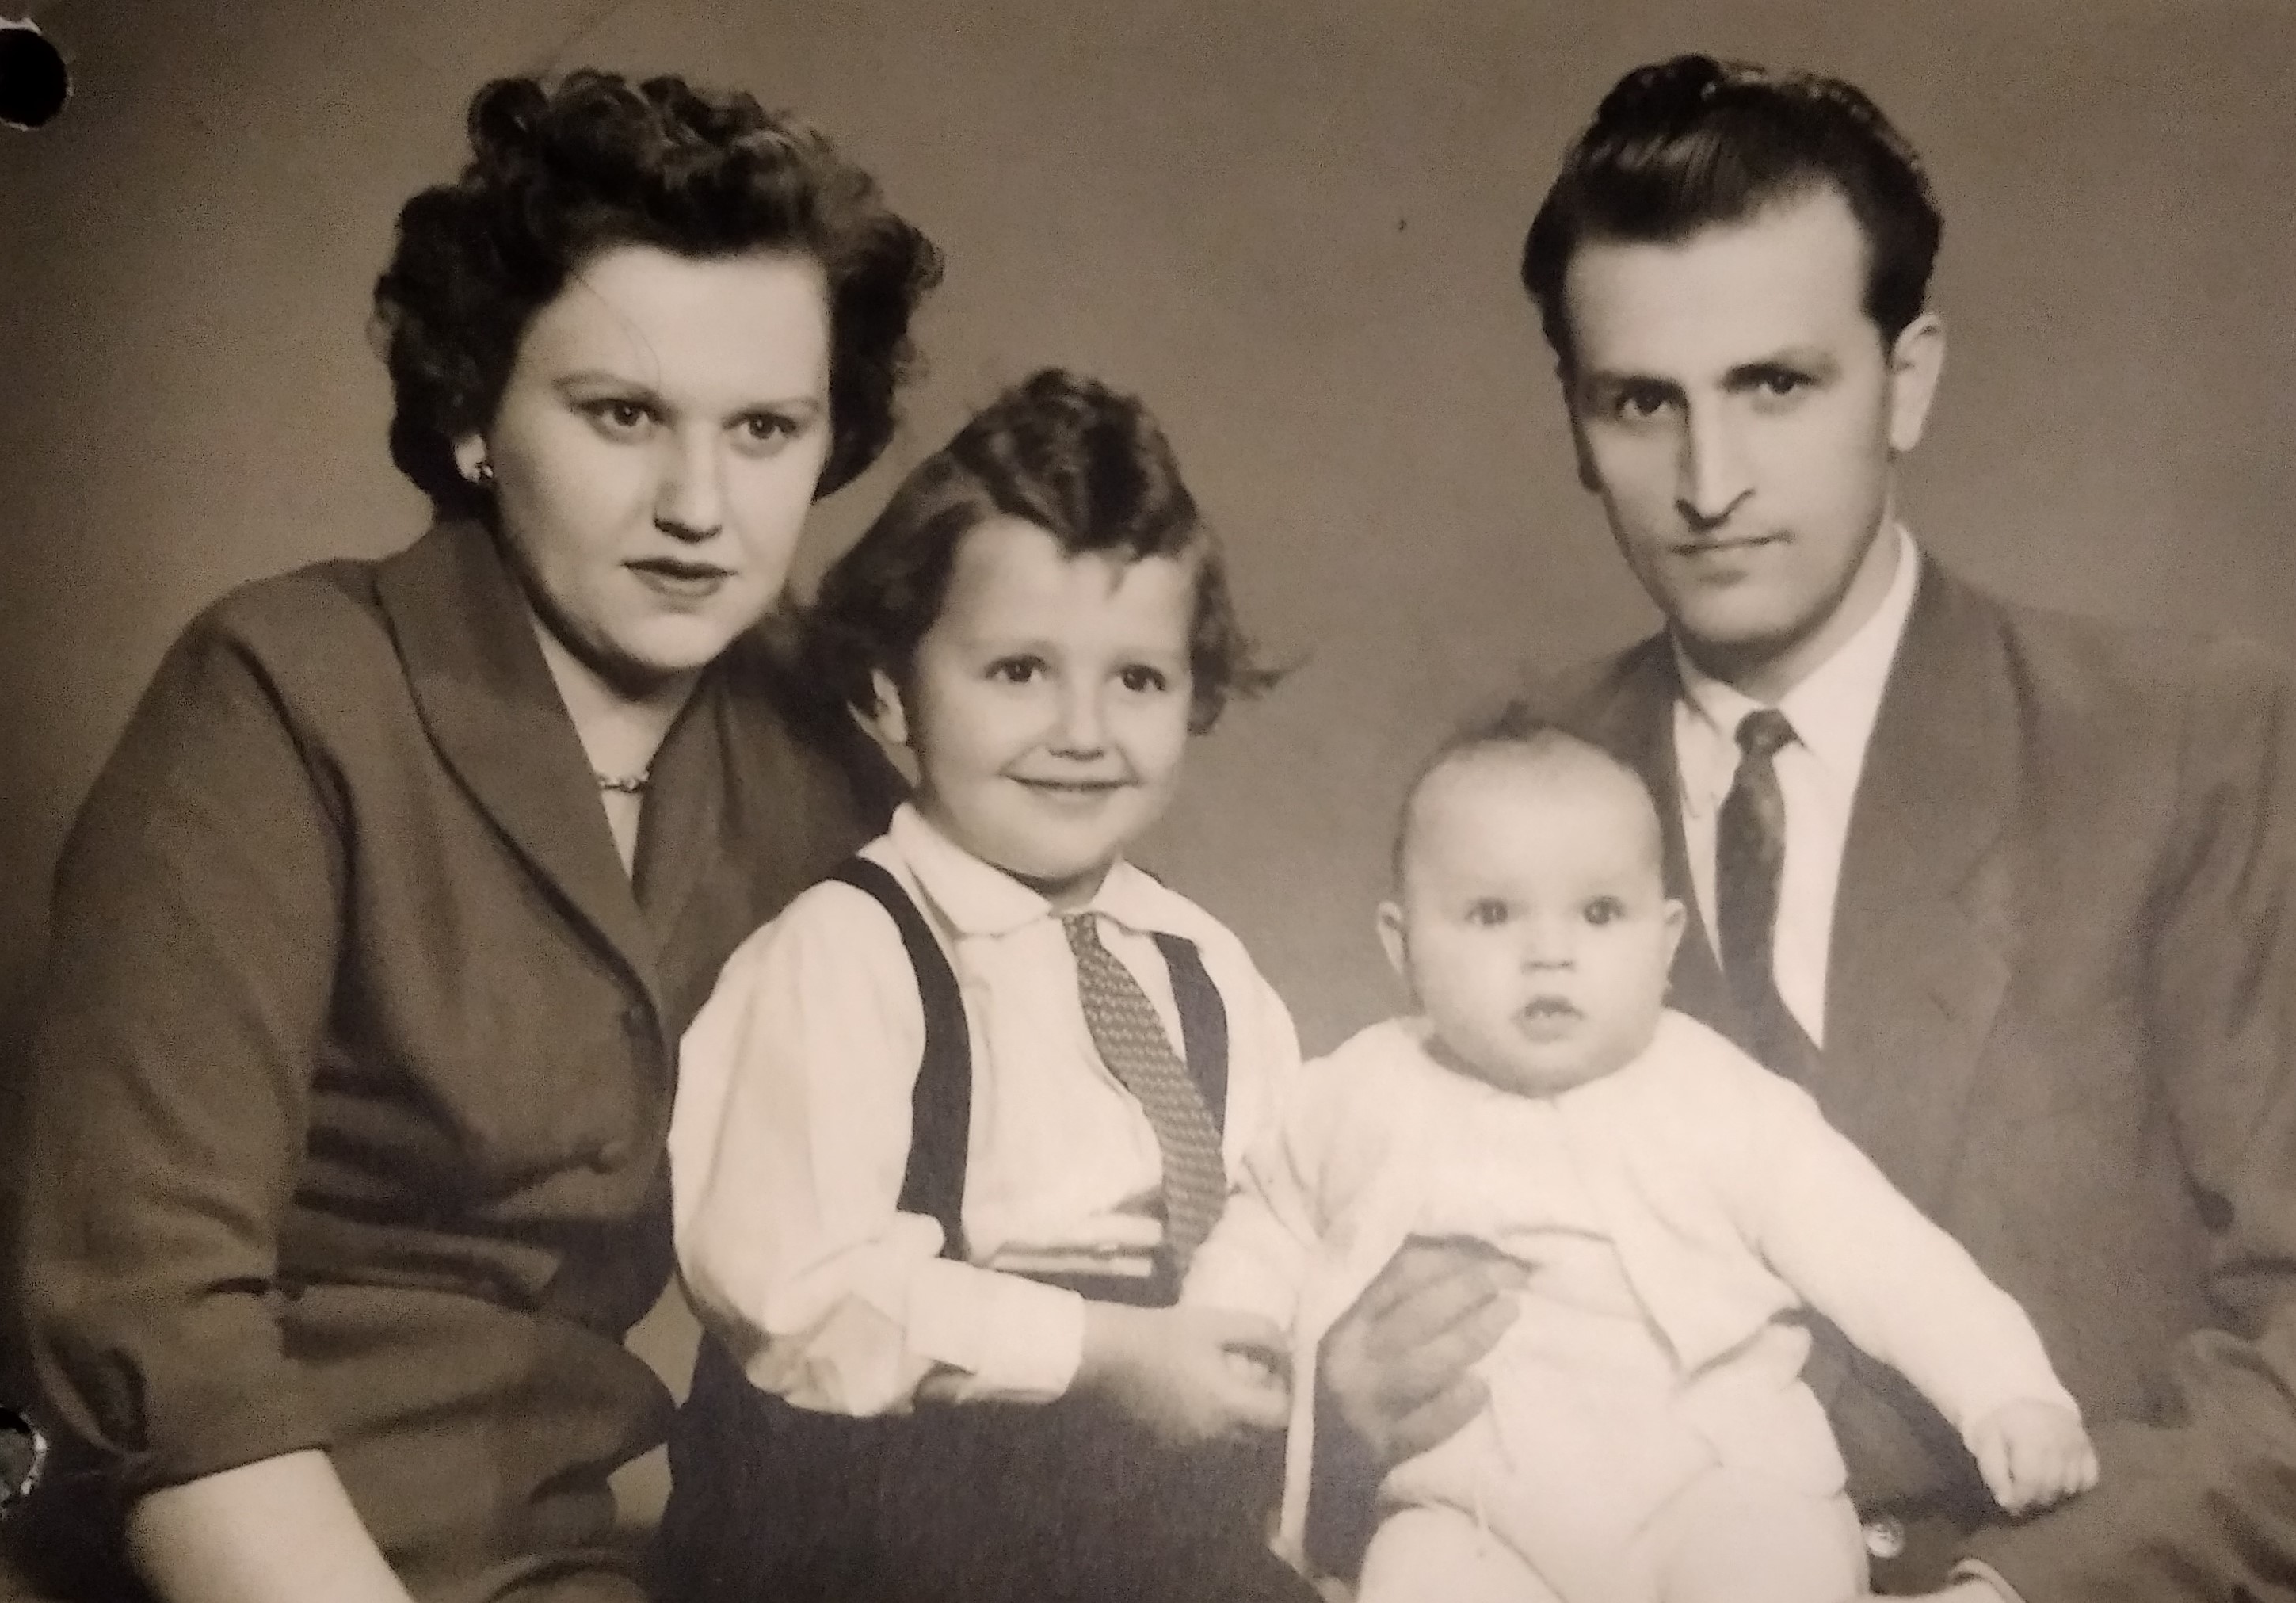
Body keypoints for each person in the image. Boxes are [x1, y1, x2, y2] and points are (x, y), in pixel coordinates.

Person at [1317, 53, 2296, 1602]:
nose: (1709, 482)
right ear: (1574, 421)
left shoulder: (2189, 742)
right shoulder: (1505, 786)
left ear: (1906, 382)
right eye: (1642, 402)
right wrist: (1340, 1419)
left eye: (1775, 385)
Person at [0, 69, 939, 1603]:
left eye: (766, 427)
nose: (699, 503)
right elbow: (143, 1315)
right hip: (203, 1552)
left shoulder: (818, 775)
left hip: (558, 1558)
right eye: (623, 414)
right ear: (473, 416)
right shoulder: (284, 689)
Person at [653, 369, 1318, 1603]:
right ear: (890, 690)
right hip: (888, 1526)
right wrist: (1104, 1350)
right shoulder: (844, 954)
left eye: (1137, 678)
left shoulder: (1209, 971)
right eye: (1017, 671)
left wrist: (1259, 1339)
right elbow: (797, 1293)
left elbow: (1288, 1211)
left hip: (1155, 1524)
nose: (1083, 731)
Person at [1184, 723, 2095, 1603]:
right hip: (1464, 1506)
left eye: (1597, 912)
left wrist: (2007, 1394)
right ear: (1402, 944)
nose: (1549, 953)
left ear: (1662, 944)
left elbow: (1884, 1256)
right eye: (1491, 914)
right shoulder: (1355, 1091)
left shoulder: (1719, 1096)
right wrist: (1211, 1346)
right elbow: (1265, 1227)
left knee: (1763, 1570)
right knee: (1416, 1576)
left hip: (1711, 1479)